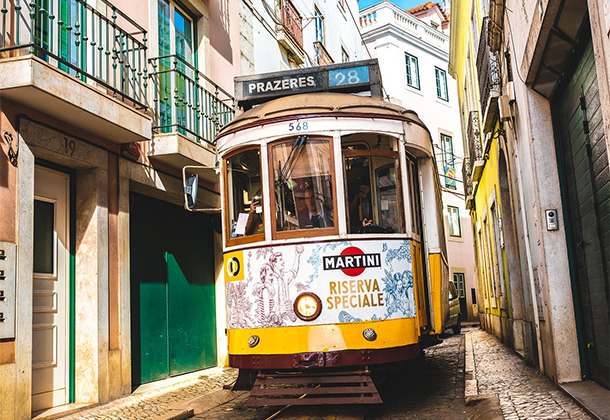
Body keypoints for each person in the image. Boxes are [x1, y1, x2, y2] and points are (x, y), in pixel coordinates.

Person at [347, 161, 373, 227]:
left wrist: (370, 191)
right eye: (355, 174)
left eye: (360, 174)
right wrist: (356, 197)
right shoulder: (349, 188)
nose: (358, 177)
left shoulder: (370, 184)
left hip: (370, 220)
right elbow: (349, 211)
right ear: (351, 174)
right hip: (354, 222)